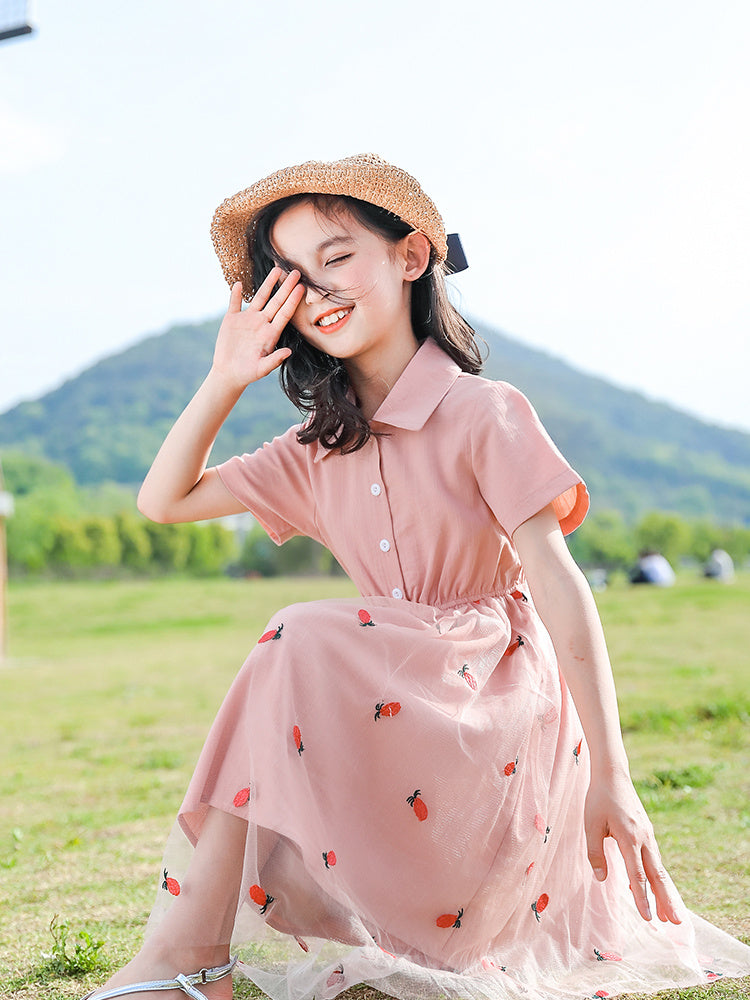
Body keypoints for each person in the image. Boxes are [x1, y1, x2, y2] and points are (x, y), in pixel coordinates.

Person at [83, 154, 750, 1000]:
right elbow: (162, 500)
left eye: (336, 256)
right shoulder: (317, 447)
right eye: (291, 275)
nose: (317, 289)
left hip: (497, 713)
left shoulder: (486, 412)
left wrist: (614, 776)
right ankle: (191, 959)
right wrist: (225, 375)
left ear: (410, 255)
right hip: (392, 706)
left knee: (297, 636)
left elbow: (558, 585)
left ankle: (189, 960)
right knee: (296, 650)